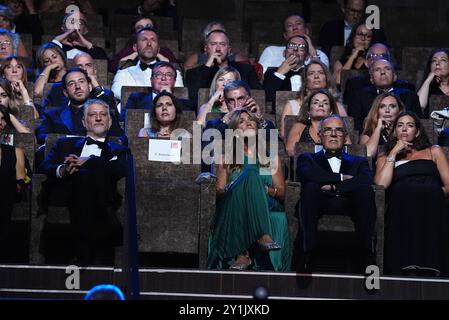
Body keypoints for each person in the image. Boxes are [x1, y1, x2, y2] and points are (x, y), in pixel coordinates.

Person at [40, 99, 130, 265]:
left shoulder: (119, 149)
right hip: (67, 195)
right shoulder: (64, 144)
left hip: (101, 197)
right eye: (92, 115)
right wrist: (63, 169)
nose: (98, 118)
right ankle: (109, 227)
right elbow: (45, 165)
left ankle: (83, 253)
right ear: (84, 121)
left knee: (87, 175)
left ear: (110, 122)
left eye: (103, 114)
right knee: (83, 177)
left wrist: (88, 161)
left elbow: (121, 170)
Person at [207, 109, 290, 271]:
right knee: (250, 175)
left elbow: (281, 192)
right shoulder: (228, 158)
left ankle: (242, 255)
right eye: (242, 121)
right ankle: (262, 235)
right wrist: (235, 187)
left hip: (266, 203)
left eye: (251, 120)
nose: (248, 122)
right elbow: (218, 191)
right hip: (233, 202)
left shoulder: (270, 158)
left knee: (252, 177)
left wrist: (262, 189)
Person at [296, 114, 377, 272]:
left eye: (339, 130)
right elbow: (307, 176)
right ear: (320, 136)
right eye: (327, 130)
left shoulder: (359, 161)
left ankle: (368, 256)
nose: (333, 134)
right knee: (311, 187)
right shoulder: (307, 158)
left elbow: (365, 180)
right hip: (319, 200)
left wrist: (334, 187)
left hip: (350, 202)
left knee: (366, 191)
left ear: (345, 137)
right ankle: (307, 254)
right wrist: (341, 177)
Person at [374, 111, 449, 277]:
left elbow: (448, 184)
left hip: (432, 199)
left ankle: (434, 265)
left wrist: (434, 192)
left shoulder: (433, 151)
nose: (404, 129)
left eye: (410, 125)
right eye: (400, 125)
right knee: (404, 194)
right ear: (394, 132)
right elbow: (381, 184)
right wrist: (393, 153)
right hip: (403, 202)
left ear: (418, 131)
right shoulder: (384, 156)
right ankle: (407, 265)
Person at [36, 67, 123, 145]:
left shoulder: (104, 113)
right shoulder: (52, 115)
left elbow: (120, 139)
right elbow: (41, 136)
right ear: (65, 93)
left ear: (89, 87)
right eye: (71, 83)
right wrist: (72, 140)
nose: (77, 86)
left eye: (81, 81)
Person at [186, 30, 262, 108]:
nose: (218, 49)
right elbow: (194, 98)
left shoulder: (246, 70)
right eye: (213, 44)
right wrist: (208, 66)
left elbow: (259, 97)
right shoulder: (193, 73)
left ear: (229, 50)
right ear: (206, 49)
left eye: (222, 44)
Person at [348, 58, 422, 132]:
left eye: (387, 69)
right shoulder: (359, 96)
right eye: (377, 70)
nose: (383, 72)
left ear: (395, 76)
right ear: (371, 79)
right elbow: (356, 125)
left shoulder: (410, 96)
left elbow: (417, 124)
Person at [111, 27, 184, 102]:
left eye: (153, 40)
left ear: (158, 49)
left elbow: (180, 95)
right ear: (135, 47)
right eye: (144, 40)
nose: (149, 44)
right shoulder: (124, 73)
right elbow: (116, 93)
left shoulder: (173, 73)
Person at [279, 60, 347, 139]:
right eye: (311, 73)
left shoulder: (337, 106)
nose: (316, 76)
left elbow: (345, 133)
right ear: (305, 80)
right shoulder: (291, 105)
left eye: (320, 73)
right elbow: (284, 135)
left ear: (327, 78)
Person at [286, 89, 350, 156]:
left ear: (330, 111)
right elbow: (290, 150)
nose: (321, 105)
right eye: (315, 102)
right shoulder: (299, 127)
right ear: (308, 110)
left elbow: (350, 151)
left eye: (325, 103)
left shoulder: (340, 128)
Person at [258, 14, 329, 74]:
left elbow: (324, 79)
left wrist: (313, 54)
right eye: (289, 25)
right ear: (285, 35)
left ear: (307, 31)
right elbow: (261, 77)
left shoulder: (320, 55)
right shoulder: (271, 51)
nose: (295, 28)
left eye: (298, 24)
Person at [42, 52, 115, 111]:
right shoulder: (57, 90)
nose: (84, 69)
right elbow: (47, 116)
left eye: (88, 65)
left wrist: (96, 86)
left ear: (94, 71)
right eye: (79, 66)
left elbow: (111, 119)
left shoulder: (107, 94)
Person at [122, 61, 192, 121]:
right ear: (151, 80)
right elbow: (125, 121)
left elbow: (188, 125)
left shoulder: (184, 104)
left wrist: (169, 97)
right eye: (158, 74)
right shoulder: (136, 99)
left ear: (174, 81)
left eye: (168, 75)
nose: (163, 78)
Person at [0, 104, 26, 261]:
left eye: (3, 119)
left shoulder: (15, 151)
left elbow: (20, 185)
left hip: (7, 198)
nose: (0, 122)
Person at [317, 0, 388, 58]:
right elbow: (322, 55)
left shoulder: (376, 31)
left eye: (359, 12)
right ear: (343, 8)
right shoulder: (329, 28)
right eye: (352, 11)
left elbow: (385, 54)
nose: (355, 16)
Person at [108, 14, 177, 73]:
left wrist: (155, 54)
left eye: (148, 27)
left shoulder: (165, 51)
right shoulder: (128, 51)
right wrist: (137, 53)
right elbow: (111, 67)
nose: (145, 30)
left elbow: (177, 71)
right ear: (134, 34)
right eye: (139, 28)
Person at [183, 21, 248, 72]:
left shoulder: (237, 59)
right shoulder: (195, 58)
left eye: (220, 32)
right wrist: (208, 65)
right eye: (214, 33)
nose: (218, 48)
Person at [263, 35, 309, 104]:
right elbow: (267, 99)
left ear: (307, 56)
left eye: (301, 47)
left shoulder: (312, 73)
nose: (295, 49)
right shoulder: (271, 73)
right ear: (284, 53)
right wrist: (279, 74)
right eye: (291, 46)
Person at [360, 92, 405, 158]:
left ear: (399, 110)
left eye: (392, 106)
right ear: (377, 111)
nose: (387, 110)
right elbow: (368, 154)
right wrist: (378, 128)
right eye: (382, 106)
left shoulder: (405, 130)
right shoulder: (369, 134)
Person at [332, 21, 374, 86]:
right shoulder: (340, 63)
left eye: (368, 36)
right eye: (360, 34)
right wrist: (352, 57)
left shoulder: (373, 60)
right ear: (353, 37)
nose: (363, 39)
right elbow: (338, 81)